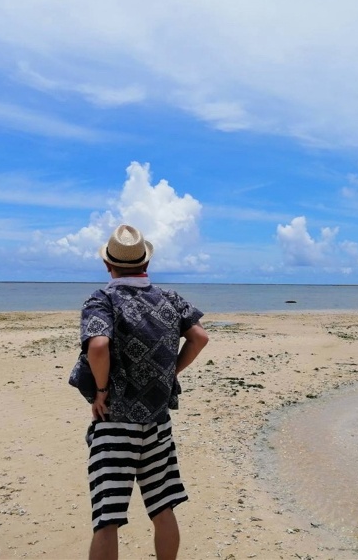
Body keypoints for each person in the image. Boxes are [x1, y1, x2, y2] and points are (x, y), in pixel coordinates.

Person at [80, 224, 209, 560]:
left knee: (107, 520)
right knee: (162, 508)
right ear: (145, 264)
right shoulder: (169, 298)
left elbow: (98, 347)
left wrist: (102, 390)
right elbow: (200, 337)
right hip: (157, 422)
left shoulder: (102, 299)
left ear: (108, 265)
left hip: (115, 421)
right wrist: (171, 372)